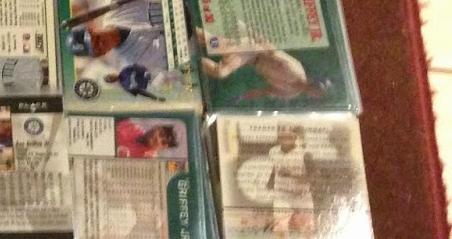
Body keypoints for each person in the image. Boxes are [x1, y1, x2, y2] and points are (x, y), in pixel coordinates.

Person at [197, 24, 333, 103]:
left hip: (250, 59)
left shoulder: (291, 92)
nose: (315, 95)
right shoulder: (296, 71)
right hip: (252, 49)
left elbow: (265, 92)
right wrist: (249, 30)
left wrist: (242, 97)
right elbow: (272, 50)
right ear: (315, 85)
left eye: (318, 95)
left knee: (212, 42)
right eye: (318, 91)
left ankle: (191, 35)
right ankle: (191, 60)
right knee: (220, 69)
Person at [266, 124, 317, 239]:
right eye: (282, 134)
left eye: (289, 135)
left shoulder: (304, 154)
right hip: (282, 195)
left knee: (307, 229)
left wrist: (296, 177)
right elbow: (275, 168)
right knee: (280, 228)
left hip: (302, 195)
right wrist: (270, 181)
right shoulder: (273, 152)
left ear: (296, 137)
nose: (285, 137)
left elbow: (314, 175)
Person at [114, 120, 180, 158]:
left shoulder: (149, 161)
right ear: (156, 127)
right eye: (161, 134)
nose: (158, 140)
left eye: (163, 142)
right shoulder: (132, 126)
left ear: (163, 148)